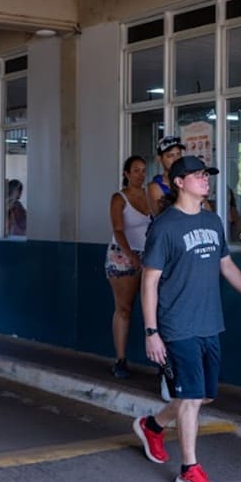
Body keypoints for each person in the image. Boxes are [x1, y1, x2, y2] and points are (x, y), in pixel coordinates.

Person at [132, 155, 241, 482]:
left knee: (203, 394)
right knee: (192, 397)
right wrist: (151, 332)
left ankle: (153, 425)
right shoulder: (164, 227)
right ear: (179, 182)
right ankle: (189, 470)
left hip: (209, 321)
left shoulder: (213, 220)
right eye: (197, 175)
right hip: (177, 324)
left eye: (206, 175)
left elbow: (226, 265)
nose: (205, 180)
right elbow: (149, 282)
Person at [106, 156, 151, 379]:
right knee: (124, 308)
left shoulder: (150, 196)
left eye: (143, 170)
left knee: (152, 309)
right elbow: (118, 229)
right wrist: (131, 254)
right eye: (136, 170)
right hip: (123, 257)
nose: (141, 174)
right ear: (126, 173)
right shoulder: (119, 198)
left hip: (148, 257)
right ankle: (121, 359)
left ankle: (161, 362)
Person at [146, 135, 185, 215]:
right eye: (170, 155)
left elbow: (206, 209)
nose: (176, 159)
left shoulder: (188, 180)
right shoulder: (155, 186)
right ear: (159, 159)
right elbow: (165, 217)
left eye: (178, 154)